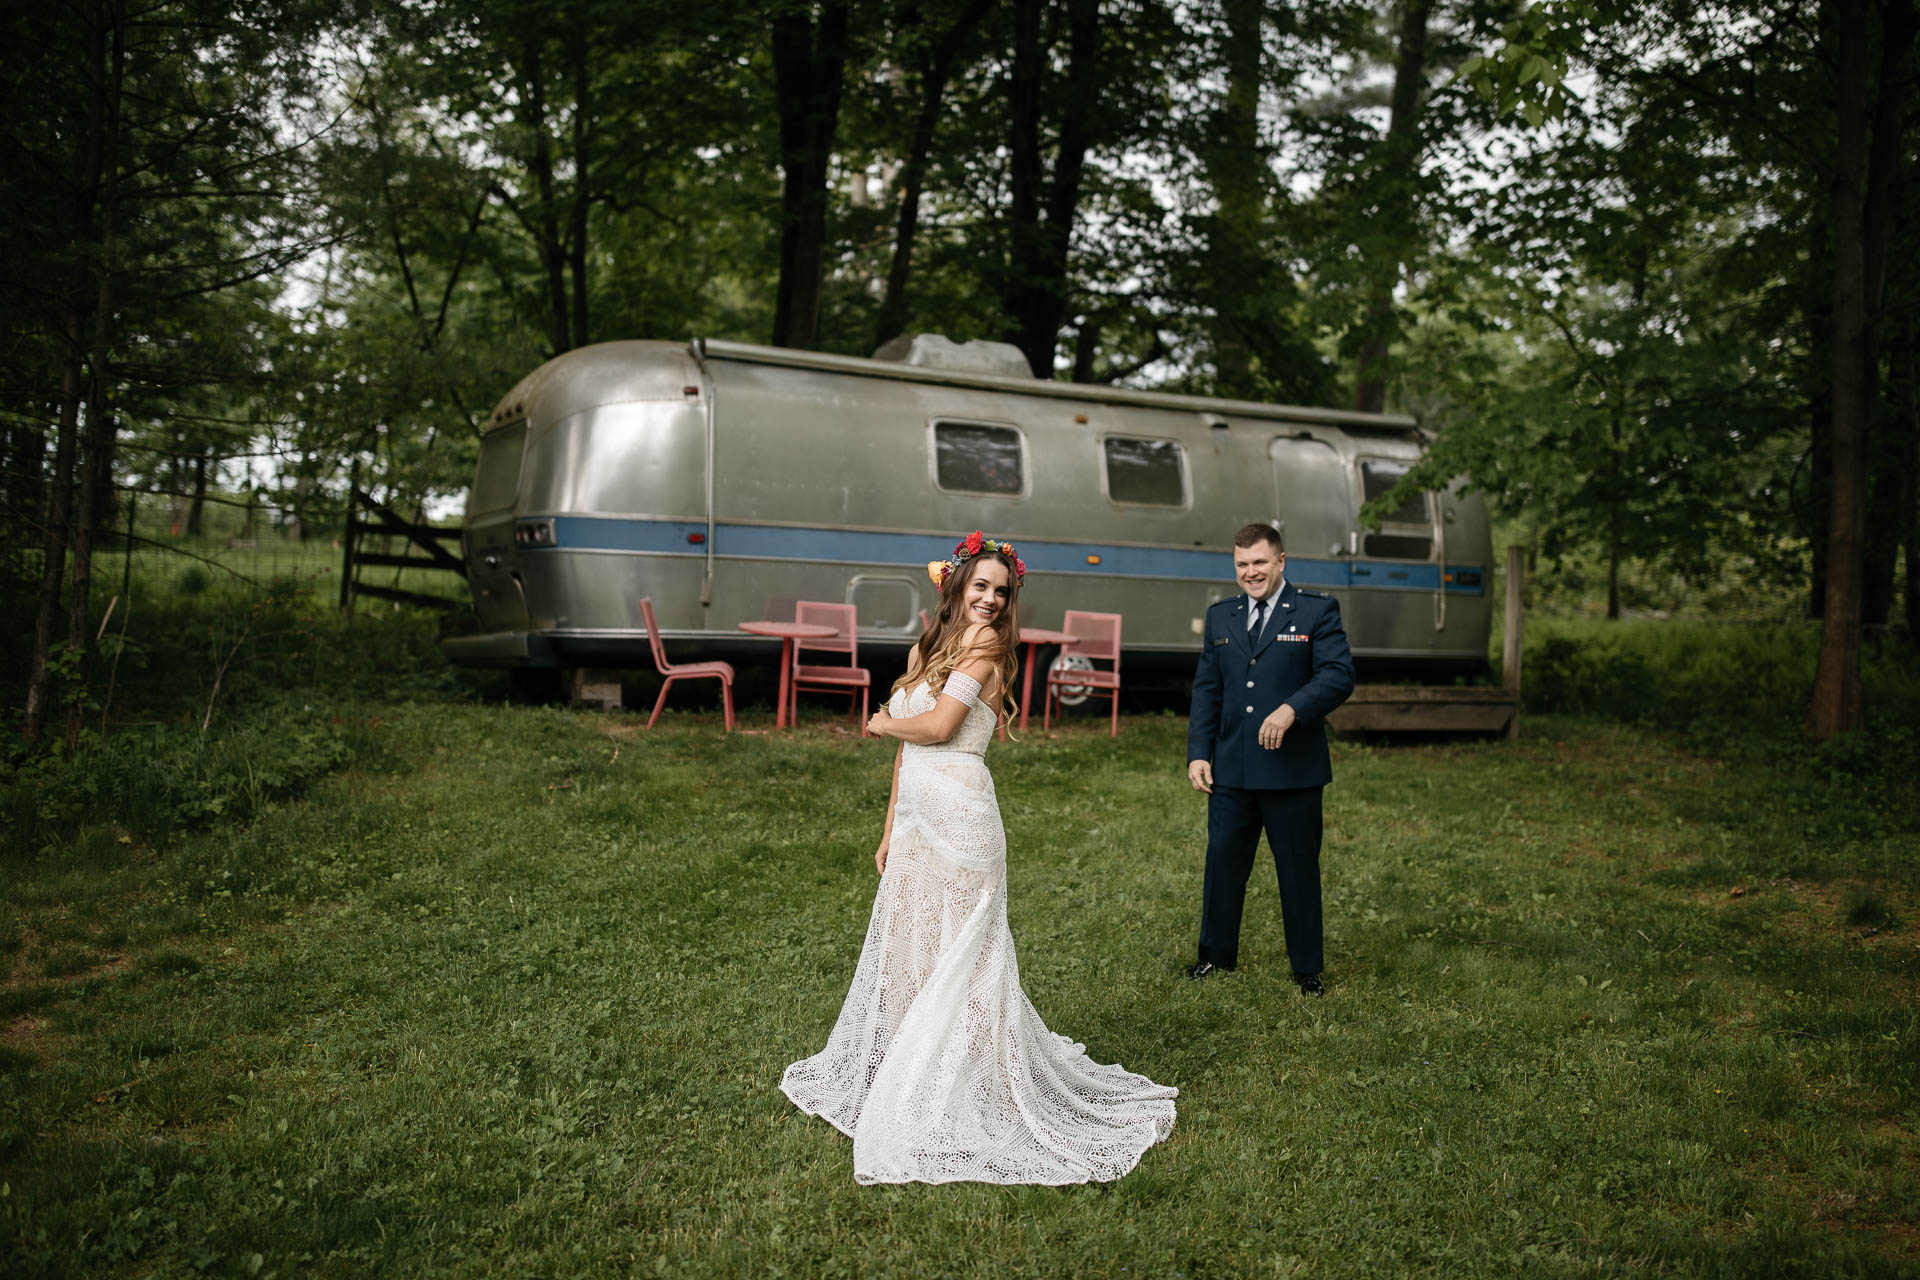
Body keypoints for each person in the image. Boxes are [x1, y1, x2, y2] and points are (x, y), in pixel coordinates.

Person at [781, 531, 1177, 1185]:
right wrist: (888, 829)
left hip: (963, 818)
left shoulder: (989, 649)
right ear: (957, 588)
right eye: (981, 586)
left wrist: (879, 721)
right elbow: (910, 758)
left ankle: (974, 1087)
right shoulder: (924, 648)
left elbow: (936, 730)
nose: (991, 599)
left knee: (964, 959)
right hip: (916, 818)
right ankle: (912, 1071)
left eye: (1002, 589)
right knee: (912, 952)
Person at [1185, 523, 1355, 993]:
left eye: (1259, 562)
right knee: (1222, 864)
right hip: (1233, 769)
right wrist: (1199, 752)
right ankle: (1215, 957)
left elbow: (1339, 675)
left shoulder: (1316, 611)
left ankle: (1307, 970)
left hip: (1293, 771)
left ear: (1281, 562)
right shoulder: (1221, 617)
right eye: (1242, 564)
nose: (1250, 572)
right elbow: (1207, 691)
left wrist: (1292, 709)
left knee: (1298, 870)